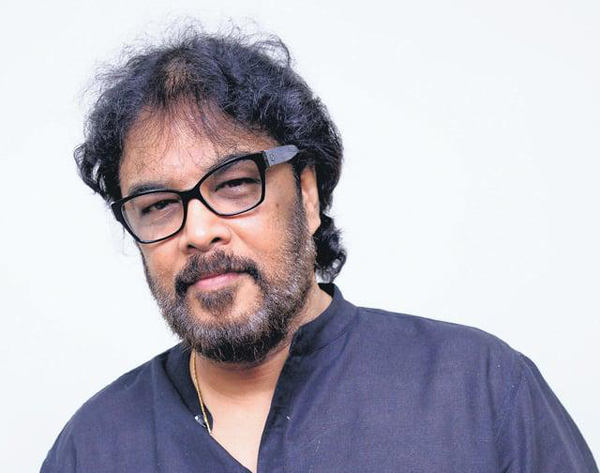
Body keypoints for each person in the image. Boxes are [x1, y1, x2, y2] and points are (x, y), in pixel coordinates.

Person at [41, 27, 598, 473]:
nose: (199, 231)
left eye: (234, 184)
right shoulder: (93, 448)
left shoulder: (478, 390)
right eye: (159, 204)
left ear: (307, 195)